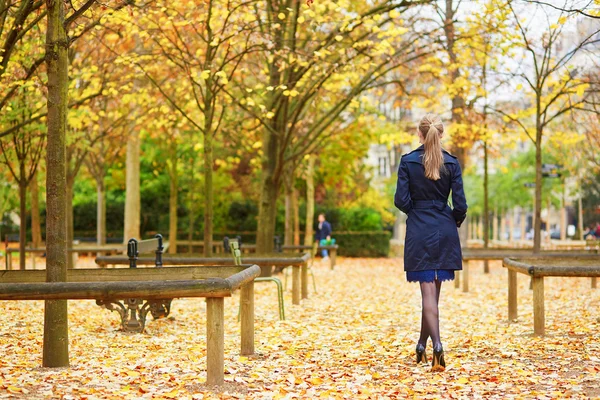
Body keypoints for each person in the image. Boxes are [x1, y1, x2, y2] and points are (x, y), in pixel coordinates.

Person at [394, 113, 467, 371]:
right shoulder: (452, 164)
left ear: (419, 134)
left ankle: (437, 346)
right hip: (444, 228)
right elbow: (461, 205)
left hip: (419, 230)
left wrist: (417, 211)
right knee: (433, 295)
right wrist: (452, 221)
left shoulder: (407, 162)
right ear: (441, 134)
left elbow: (400, 200)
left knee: (428, 295)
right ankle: (421, 346)